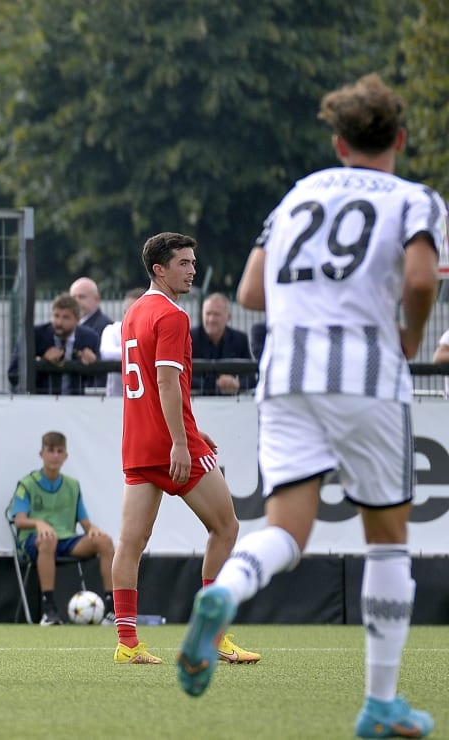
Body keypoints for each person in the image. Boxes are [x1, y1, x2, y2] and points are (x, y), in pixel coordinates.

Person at [178, 75, 445, 738]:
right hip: (364, 376)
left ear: (338, 141)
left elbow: (249, 290)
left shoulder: (299, 195)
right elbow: (418, 279)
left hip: (286, 375)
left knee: (286, 531)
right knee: (387, 543)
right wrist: (410, 331)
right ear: (400, 140)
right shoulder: (417, 199)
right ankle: (380, 703)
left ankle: (224, 593)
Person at [110, 231, 260, 667]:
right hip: (170, 444)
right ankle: (211, 636)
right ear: (159, 269)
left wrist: (193, 429)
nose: (192, 269)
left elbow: (157, 388)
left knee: (130, 543)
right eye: (183, 263)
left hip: (138, 442)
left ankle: (127, 643)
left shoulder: (134, 313)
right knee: (227, 528)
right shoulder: (172, 316)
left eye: (193, 262)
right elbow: (166, 382)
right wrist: (181, 440)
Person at [7, 431, 115, 626]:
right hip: (35, 542)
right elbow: (19, 520)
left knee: (105, 541)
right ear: (42, 454)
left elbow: (85, 523)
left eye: (59, 451)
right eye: (50, 451)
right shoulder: (27, 484)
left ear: (66, 455)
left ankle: (112, 609)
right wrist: (38, 523)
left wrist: (93, 529)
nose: (55, 456)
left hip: (66, 540)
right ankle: (49, 610)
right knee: (48, 540)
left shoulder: (72, 485)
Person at [9, 293, 100, 395]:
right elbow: (13, 375)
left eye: (66, 317)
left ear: (77, 320)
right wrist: (42, 362)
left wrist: (92, 364)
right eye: (56, 316)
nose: (59, 322)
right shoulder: (33, 336)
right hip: (39, 401)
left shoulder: (89, 338)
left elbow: (98, 379)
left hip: (74, 404)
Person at [191, 293, 254, 396]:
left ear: (228, 317)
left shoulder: (240, 339)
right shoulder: (189, 338)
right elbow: (181, 375)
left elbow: (250, 376)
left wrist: (237, 385)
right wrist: (216, 384)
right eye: (208, 314)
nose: (211, 319)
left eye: (216, 314)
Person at [100, 287, 146, 397]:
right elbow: (106, 354)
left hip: (146, 400)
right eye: (127, 311)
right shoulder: (112, 329)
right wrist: (142, 352)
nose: (130, 316)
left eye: (135, 311)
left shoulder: (155, 331)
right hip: (115, 399)